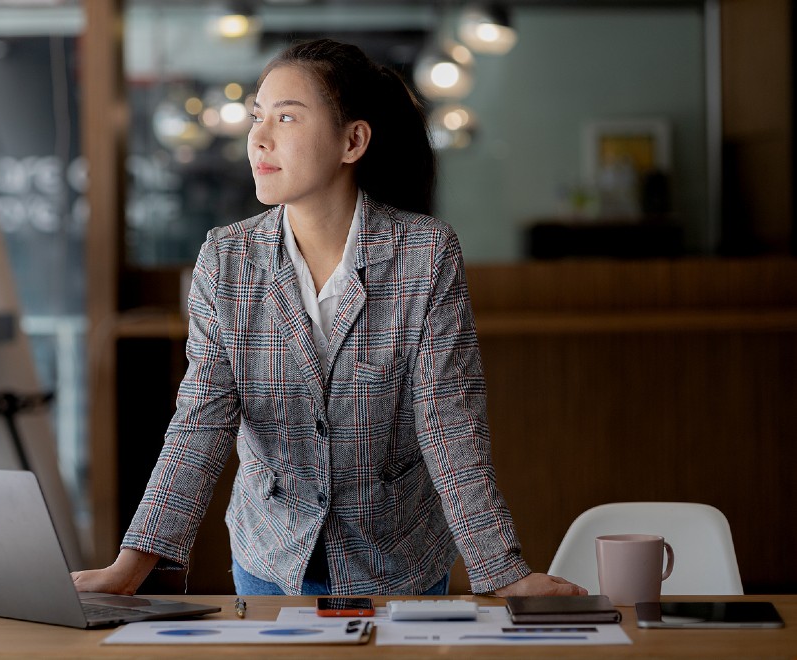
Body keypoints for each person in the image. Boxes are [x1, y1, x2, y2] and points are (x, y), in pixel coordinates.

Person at [73, 38, 585, 598]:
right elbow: (201, 421)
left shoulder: (425, 253)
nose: (259, 139)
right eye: (256, 118)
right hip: (270, 557)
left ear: (352, 141)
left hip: (397, 560)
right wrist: (130, 567)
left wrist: (503, 575)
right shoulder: (226, 258)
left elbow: (450, 425)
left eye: (286, 117)